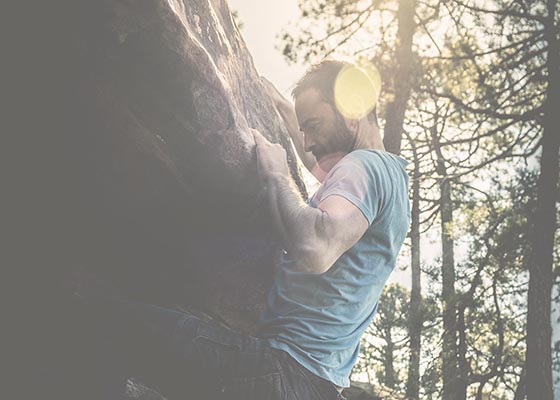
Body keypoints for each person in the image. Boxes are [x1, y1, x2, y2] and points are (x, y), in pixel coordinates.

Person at [80, 60, 410, 400]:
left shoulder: (361, 166)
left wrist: (277, 176)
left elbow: (317, 248)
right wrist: (282, 106)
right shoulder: (392, 180)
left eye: (313, 125)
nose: (308, 142)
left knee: (97, 322)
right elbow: (325, 173)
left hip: (278, 372)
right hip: (316, 387)